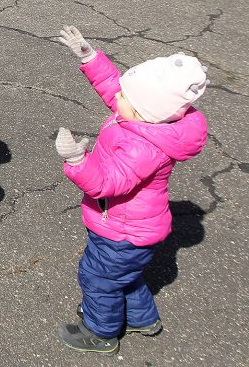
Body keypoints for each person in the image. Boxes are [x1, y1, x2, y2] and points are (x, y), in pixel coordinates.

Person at [54, 26, 208, 355]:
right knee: (125, 276)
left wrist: (77, 160)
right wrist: (89, 57)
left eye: (124, 98)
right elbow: (116, 88)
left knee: (97, 278)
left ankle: (100, 332)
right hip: (133, 230)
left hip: (120, 232)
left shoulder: (143, 147)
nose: (116, 99)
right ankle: (142, 318)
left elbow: (108, 182)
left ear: (143, 112)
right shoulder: (150, 118)